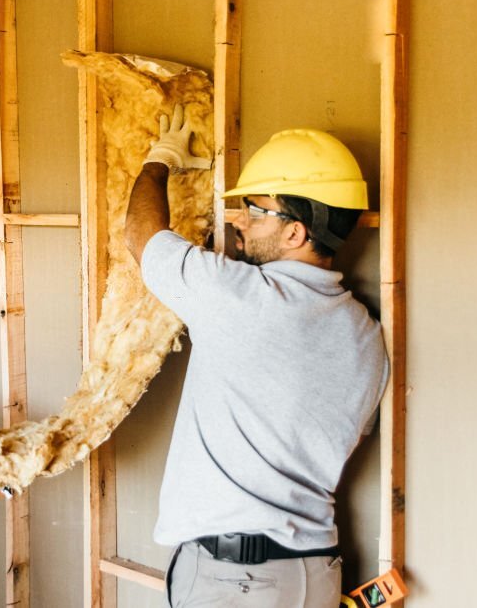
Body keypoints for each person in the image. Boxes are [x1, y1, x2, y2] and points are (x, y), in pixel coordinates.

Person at [125, 105, 389, 607]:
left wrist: (159, 161)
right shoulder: (366, 337)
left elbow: (141, 237)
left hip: (236, 581)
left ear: (296, 233)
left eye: (256, 209)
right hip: (315, 574)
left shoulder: (239, 297)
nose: (239, 220)